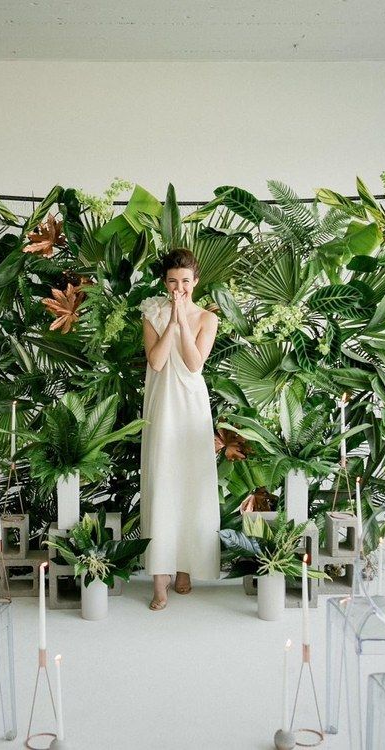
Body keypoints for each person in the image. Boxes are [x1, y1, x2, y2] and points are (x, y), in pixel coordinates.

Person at [139, 248, 221, 611]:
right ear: (164, 281)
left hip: (191, 407)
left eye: (185, 281)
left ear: (195, 281)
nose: (179, 288)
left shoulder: (207, 318)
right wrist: (170, 321)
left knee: (189, 482)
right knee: (162, 481)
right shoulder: (151, 313)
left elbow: (193, 363)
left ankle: (185, 568)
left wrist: (184, 321)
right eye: (173, 281)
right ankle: (160, 579)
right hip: (163, 405)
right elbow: (156, 362)